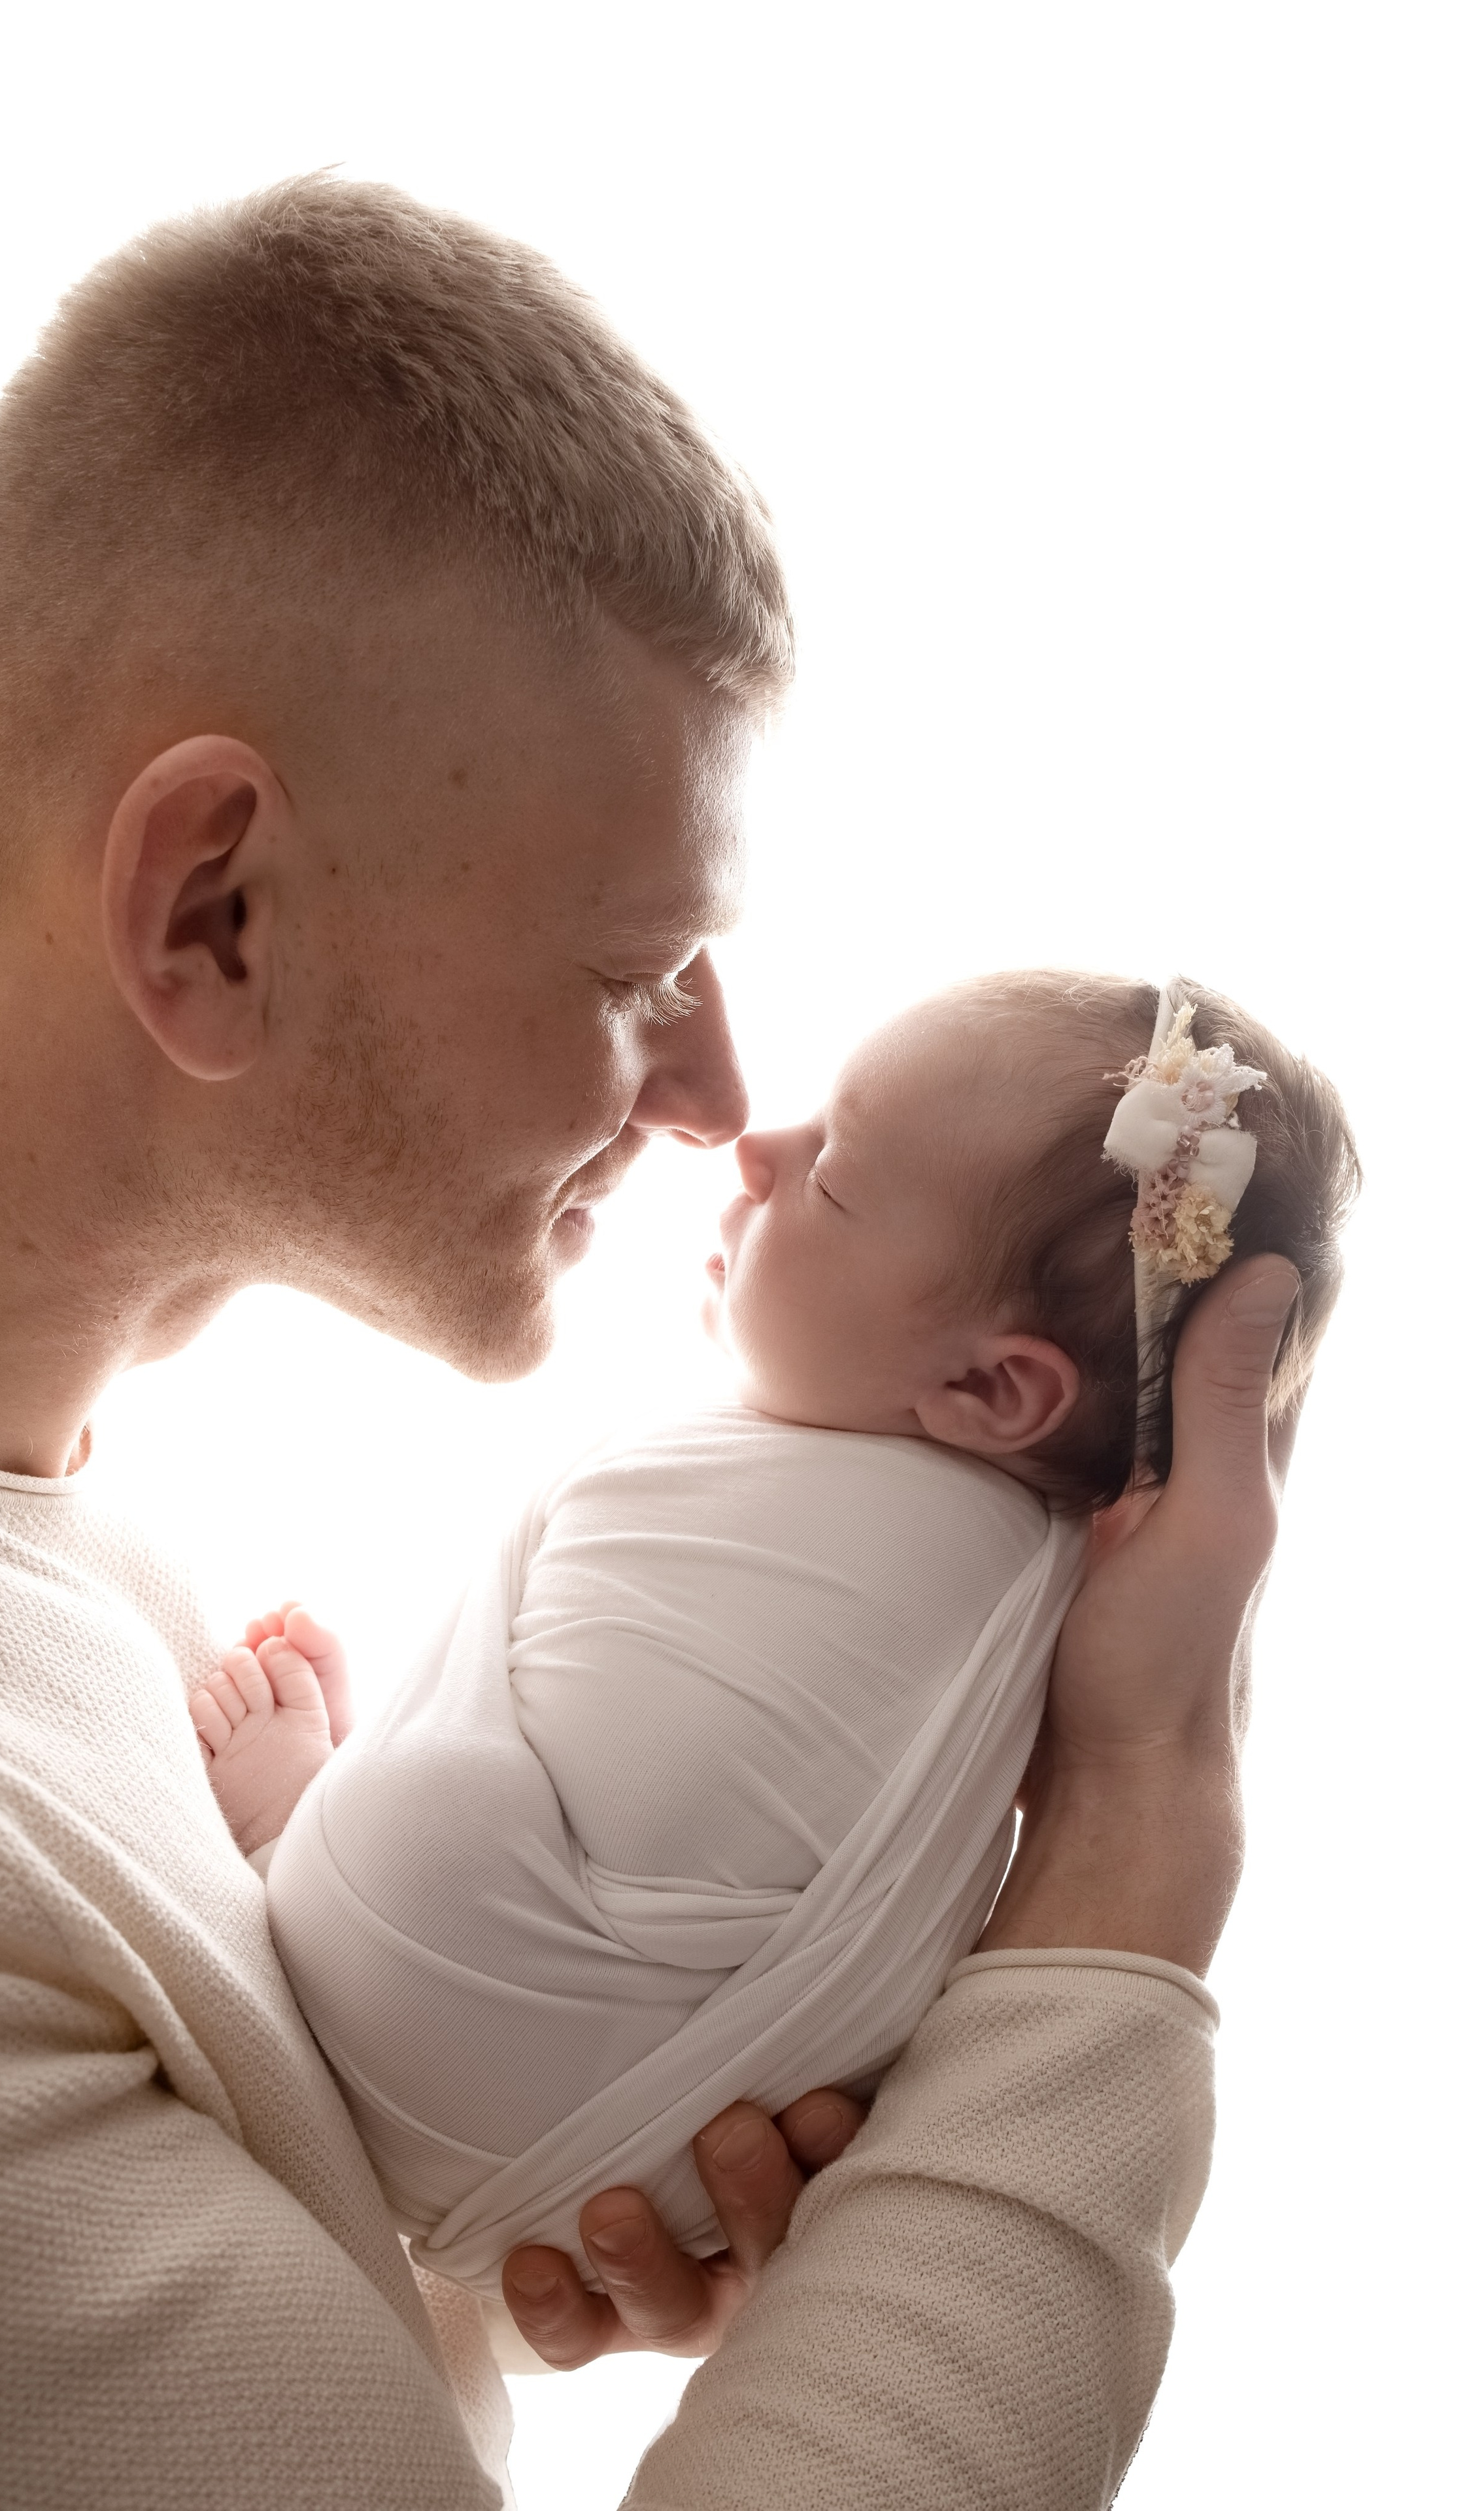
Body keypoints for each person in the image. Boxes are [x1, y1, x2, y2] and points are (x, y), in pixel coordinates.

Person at [0, 172, 1300, 2508]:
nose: (717, 1097)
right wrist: (1120, 1893)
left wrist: (439, 2245)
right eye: (632, 974)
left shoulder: (62, 1530)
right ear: (215, 910)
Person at [189, 972, 1354, 2302]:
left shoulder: (804, 1506)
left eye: (833, 1174)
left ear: (987, 1386)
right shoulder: (1044, 1592)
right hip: (642, 2186)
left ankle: (291, 1827)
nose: (756, 1147)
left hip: (413, 1971)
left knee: (476, 1782)